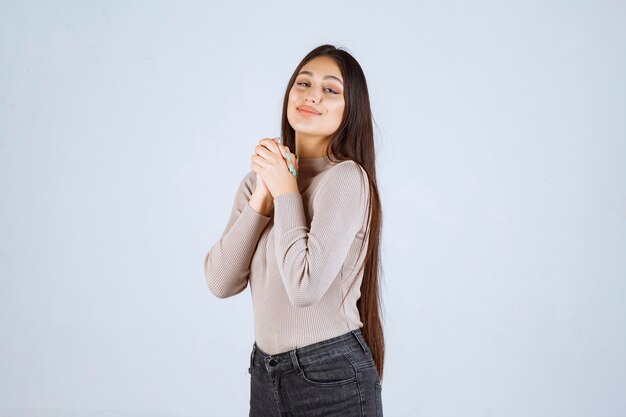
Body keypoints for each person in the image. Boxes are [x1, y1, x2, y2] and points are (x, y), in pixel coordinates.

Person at [204, 44, 385, 417]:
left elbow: (304, 286)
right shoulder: (260, 183)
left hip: (330, 377)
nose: (312, 95)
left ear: (351, 111)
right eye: (303, 83)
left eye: (331, 90)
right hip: (265, 373)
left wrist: (286, 189)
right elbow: (220, 282)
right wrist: (262, 200)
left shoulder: (346, 178)